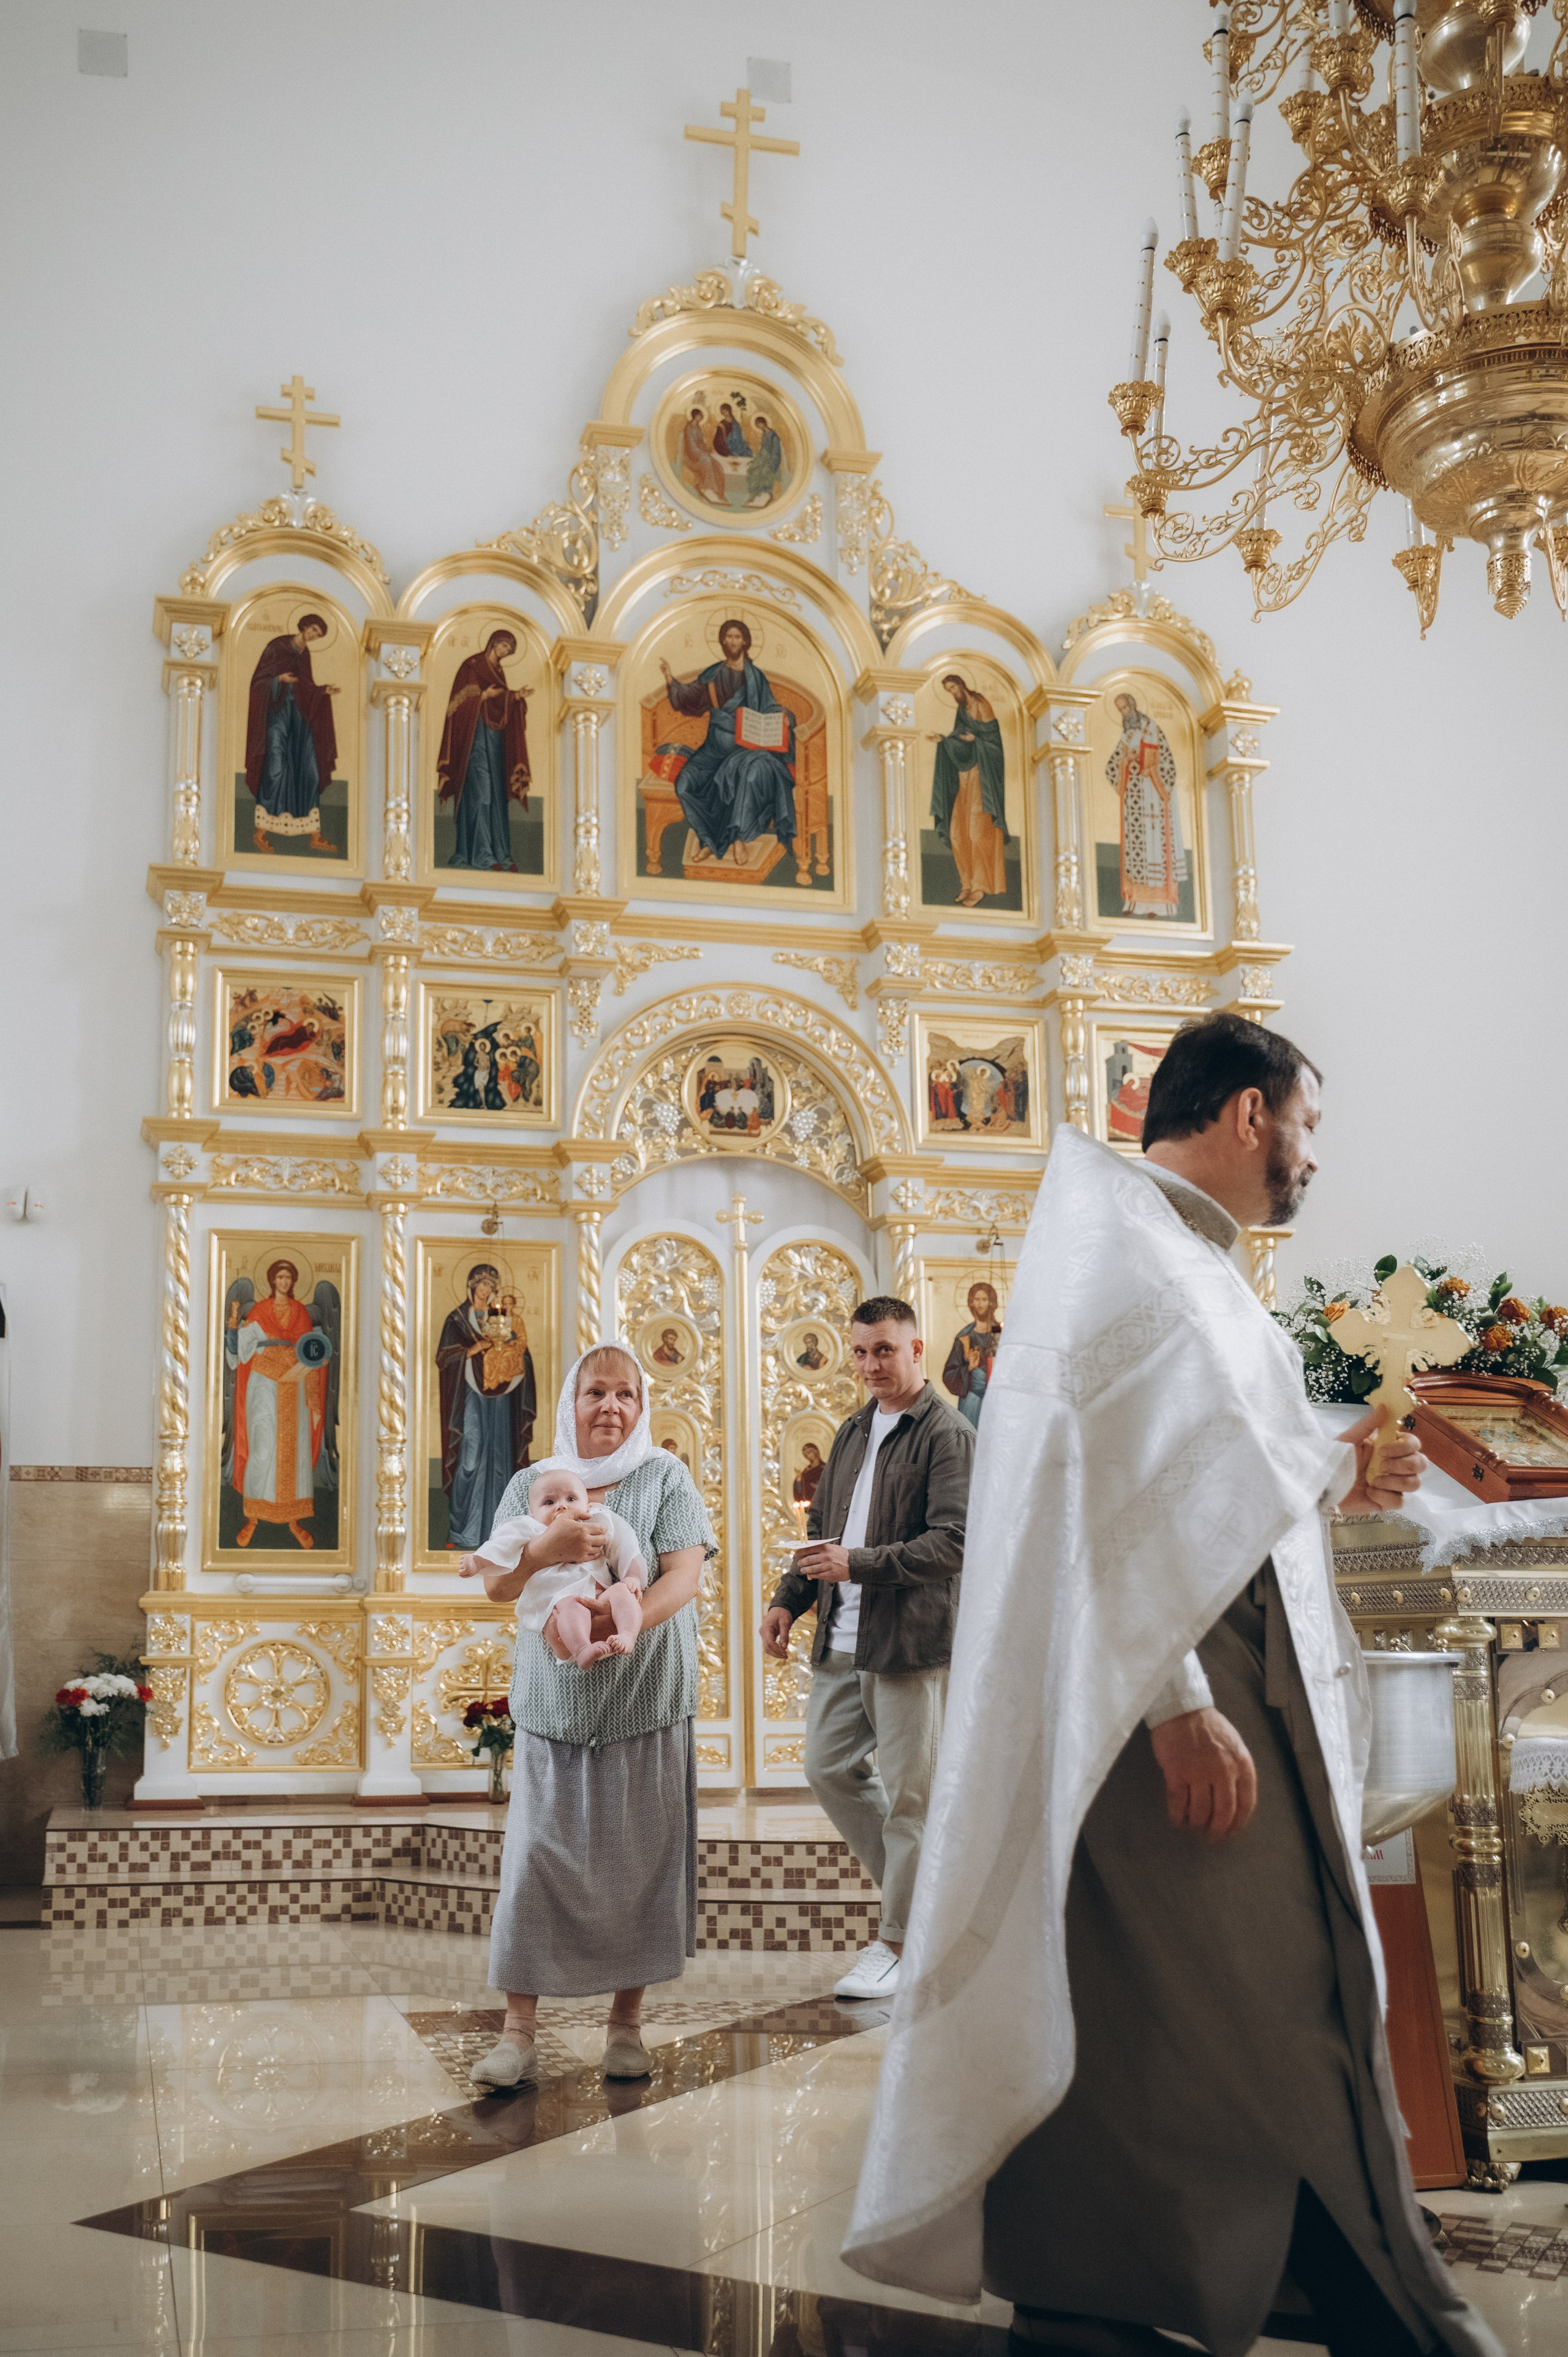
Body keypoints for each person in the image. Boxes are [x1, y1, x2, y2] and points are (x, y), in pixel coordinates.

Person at [843, 1015, 1502, 2357]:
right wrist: (1177, 1702)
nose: (1310, 1158)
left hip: (1203, 1694)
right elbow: (1084, 1522)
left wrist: (1331, 1475)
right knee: (1252, 2003)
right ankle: (1272, 2293)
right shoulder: (1123, 1253)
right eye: (1305, 1127)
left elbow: (1189, 1488)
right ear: (1249, 1113)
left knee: (1207, 2017)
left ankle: (1182, 2288)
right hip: (1174, 1717)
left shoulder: (1177, 1256)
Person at [468, 1344, 714, 2089]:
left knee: (642, 1863)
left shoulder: (665, 1475)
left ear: (642, 1406)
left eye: (626, 1394)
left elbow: (686, 1571)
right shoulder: (528, 1482)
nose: (611, 1406)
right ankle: (518, 2031)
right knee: (535, 1864)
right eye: (595, 1392)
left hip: (647, 1695)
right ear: (570, 1402)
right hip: (555, 1702)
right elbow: (498, 1587)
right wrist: (549, 1546)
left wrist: (625, 1619)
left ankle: (626, 2025)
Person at [761, 1295, 973, 2004]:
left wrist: (861, 1565)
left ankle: (896, 1940)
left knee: (911, 1798)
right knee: (828, 1769)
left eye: (884, 1349)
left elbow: (954, 1541)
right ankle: (929, 1904)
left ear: (918, 1348)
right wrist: (788, 1600)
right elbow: (823, 1529)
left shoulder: (947, 1432)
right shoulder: (852, 1430)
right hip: (840, 1640)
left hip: (911, 1641)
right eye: (860, 1351)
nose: (870, 1364)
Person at [458, 1462, 647, 1670]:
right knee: (569, 1606)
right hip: (560, 1602)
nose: (561, 1506)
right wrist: (477, 1561)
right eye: (549, 1502)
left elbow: (626, 1546)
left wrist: (632, 1577)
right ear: (532, 1514)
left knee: (622, 1592)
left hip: (599, 1595)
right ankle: (583, 1649)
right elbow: (501, 1547)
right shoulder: (529, 1526)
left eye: (571, 1499)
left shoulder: (597, 1519)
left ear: (588, 1506)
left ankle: (628, 1634)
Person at [658, 619, 797, 869]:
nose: (731, 641)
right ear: (722, 641)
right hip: (712, 752)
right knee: (684, 784)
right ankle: (708, 840)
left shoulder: (756, 678)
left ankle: (738, 838)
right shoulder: (714, 674)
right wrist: (670, 679)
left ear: (745, 641)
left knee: (746, 776)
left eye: (736, 637)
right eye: (728, 637)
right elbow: (691, 697)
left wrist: (785, 716)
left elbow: (769, 707)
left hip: (747, 750)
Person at [224, 1261, 329, 1549]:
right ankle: (254, 1518)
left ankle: (294, 1520)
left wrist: (320, 1360)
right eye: (279, 1276)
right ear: (272, 1280)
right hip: (264, 1381)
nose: (284, 1281)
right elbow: (238, 1350)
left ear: (293, 1281)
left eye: (288, 1277)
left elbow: (310, 1346)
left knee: (294, 1452)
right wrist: (234, 1322)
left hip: (295, 1383)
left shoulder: (300, 1313)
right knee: (262, 1446)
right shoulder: (259, 1311)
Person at [435, 1263, 535, 1552]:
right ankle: (462, 1530)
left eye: (492, 1286)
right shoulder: (457, 1320)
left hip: (502, 1400)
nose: (487, 1290)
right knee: (469, 1456)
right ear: (471, 1286)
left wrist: (512, 1354)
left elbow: (523, 1355)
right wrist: (472, 1351)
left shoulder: (506, 1319)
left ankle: (501, 1532)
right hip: (468, 1397)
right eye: (483, 1285)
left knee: (501, 1458)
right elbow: (444, 1357)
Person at [436, 628, 531, 872]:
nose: (504, 653)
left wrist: (516, 697)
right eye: (503, 648)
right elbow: (456, 703)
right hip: (474, 740)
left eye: (508, 652)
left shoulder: (498, 672)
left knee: (497, 798)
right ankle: (481, 854)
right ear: (494, 643)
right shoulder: (472, 665)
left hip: (495, 742)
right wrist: (483, 695)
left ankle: (500, 854)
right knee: (481, 794)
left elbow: (502, 701)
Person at [244, 613, 339, 853]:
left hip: (299, 717)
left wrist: (322, 691)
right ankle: (260, 833)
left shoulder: (304, 654)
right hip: (276, 715)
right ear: (305, 626)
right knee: (275, 767)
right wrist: (278, 679)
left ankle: (314, 835)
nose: (314, 636)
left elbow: (305, 685)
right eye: (314, 630)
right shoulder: (277, 646)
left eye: (318, 635)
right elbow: (257, 683)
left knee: (310, 769)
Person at [928, 673, 1008, 907]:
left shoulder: (981, 704)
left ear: (962, 685)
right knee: (957, 834)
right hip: (964, 779)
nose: (953, 694)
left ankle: (981, 886)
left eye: (954, 688)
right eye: (949, 691)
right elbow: (959, 739)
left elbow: (994, 742)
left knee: (976, 834)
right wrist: (943, 740)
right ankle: (967, 884)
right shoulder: (962, 711)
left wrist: (978, 740)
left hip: (983, 783)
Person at [1107, 690, 1187, 921]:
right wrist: (1125, 762)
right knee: (1136, 851)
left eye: (1125, 708)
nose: (1124, 713)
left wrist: (1142, 761)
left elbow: (1166, 763)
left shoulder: (1151, 729)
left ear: (1133, 705)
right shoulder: (1127, 733)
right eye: (1120, 710)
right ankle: (1135, 901)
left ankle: (1162, 905)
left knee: (1157, 849)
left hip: (1154, 796)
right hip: (1134, 803)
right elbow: (1113, 764)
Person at [941, 1281, 1002, 1432]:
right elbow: (949, 1375)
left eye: (984, 1300)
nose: (980, 1304)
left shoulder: (1002, 1334)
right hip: (972, 1402)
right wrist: (969, 1368)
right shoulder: (964, 1338)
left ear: (991, 1303)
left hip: (997, 1400)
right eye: (977, 1300)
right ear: (971, 1303)